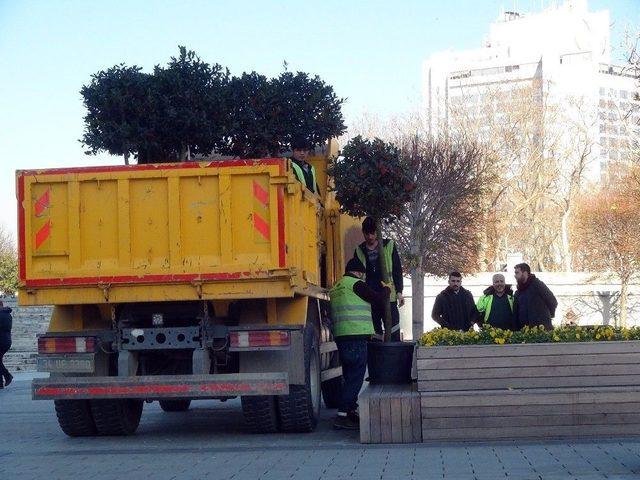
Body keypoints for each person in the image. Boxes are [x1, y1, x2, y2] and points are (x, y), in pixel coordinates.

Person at [330, 258, 390, 430]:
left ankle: (349, 411)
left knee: (349, 376)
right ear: (358, 272)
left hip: (341, 336)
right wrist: (387, 289)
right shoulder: (355, 284)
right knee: (355, 378)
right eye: (362, 274)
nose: (363, 277)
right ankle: (342, 415)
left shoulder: (336, 286)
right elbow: (378, 299)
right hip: (356, 335)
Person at [353, 217, 404, 341]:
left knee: (393, 329)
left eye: (373, 233)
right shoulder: (359, 251)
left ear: (378, 232)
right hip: (370, 298)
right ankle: (376, 358)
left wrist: (399, 292)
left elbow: (397, 270)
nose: (370, 236)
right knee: (374, 333)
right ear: (363, 232)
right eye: (367, 233)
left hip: (389, 296)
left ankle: (393, 355)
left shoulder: (389, 245)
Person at [513, 263, 558, 331]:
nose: (515, 276)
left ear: (525, 273)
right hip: (524, 332)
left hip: (541, 331)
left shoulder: (537, 285)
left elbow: (552, 301)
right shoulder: (518, 292)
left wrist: (546, 318)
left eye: (517, 273)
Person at [0, 301, 13, 388]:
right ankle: (1, 382)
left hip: (2, 341)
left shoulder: (2, 315)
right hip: (6, 341)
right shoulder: (7, 314)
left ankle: (7, 376)